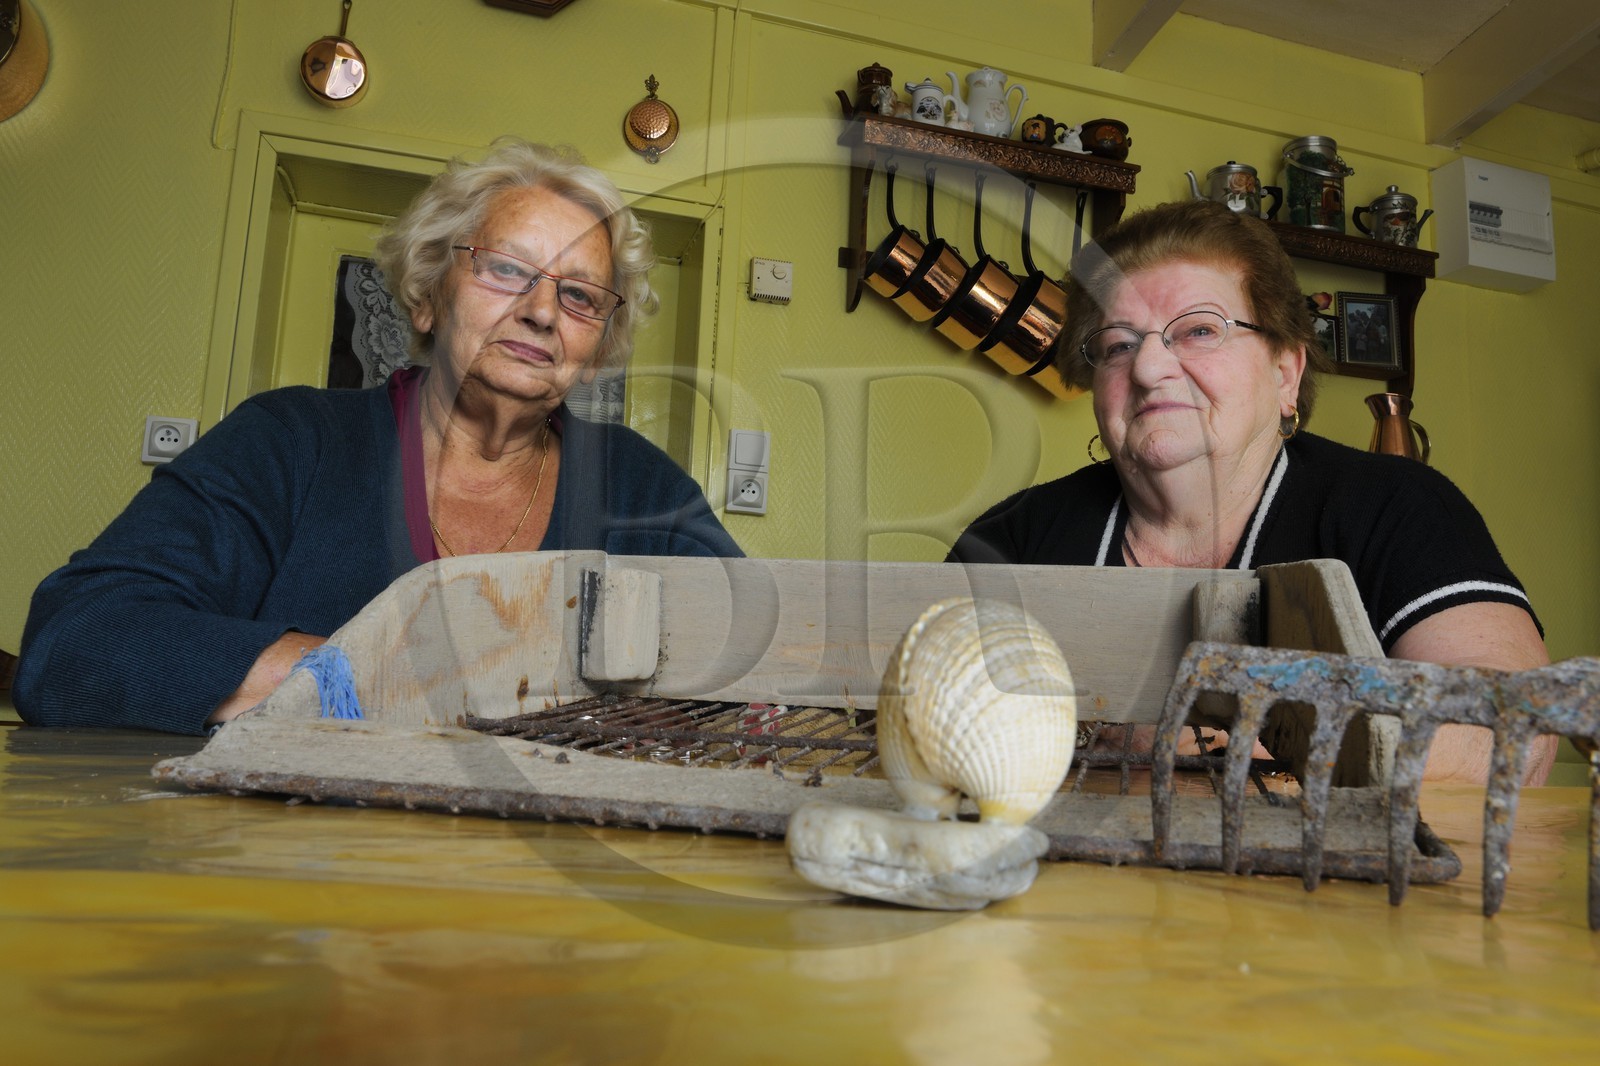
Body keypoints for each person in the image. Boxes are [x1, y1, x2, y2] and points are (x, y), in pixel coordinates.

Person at [16, 138, 741, 735]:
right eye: (508, 270)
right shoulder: (290, 441)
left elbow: (759, 661)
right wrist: (356, 678)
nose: (543, 311)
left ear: (597, 346)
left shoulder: (645, 487)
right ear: (428, 296)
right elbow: (71, 643)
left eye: (580, 295)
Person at [949, 199, 1555, 784]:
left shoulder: (1395, 507)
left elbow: (1509, 736)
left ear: (1285, 373)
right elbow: (913, 720)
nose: (1148, 368)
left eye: (1200, 331)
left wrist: (1231, 746)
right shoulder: (1016, 535)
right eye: (1118, 344)